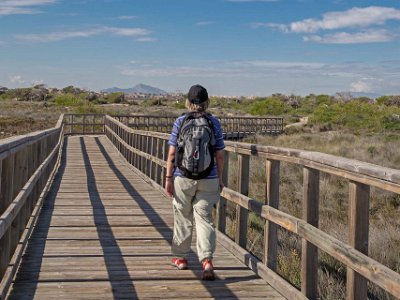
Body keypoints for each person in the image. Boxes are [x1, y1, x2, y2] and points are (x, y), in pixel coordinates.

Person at [165, 84, 225, 280]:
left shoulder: (180, 121)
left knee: (182, 215)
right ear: (207, 102)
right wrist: (220, 178)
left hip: (183, 177)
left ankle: (181, 258)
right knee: (204, 217)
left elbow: (172, 153)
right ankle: (207, 260)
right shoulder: (214, 122)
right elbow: (220, 154)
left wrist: (168, 178)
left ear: (188, 102)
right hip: (209, 178)